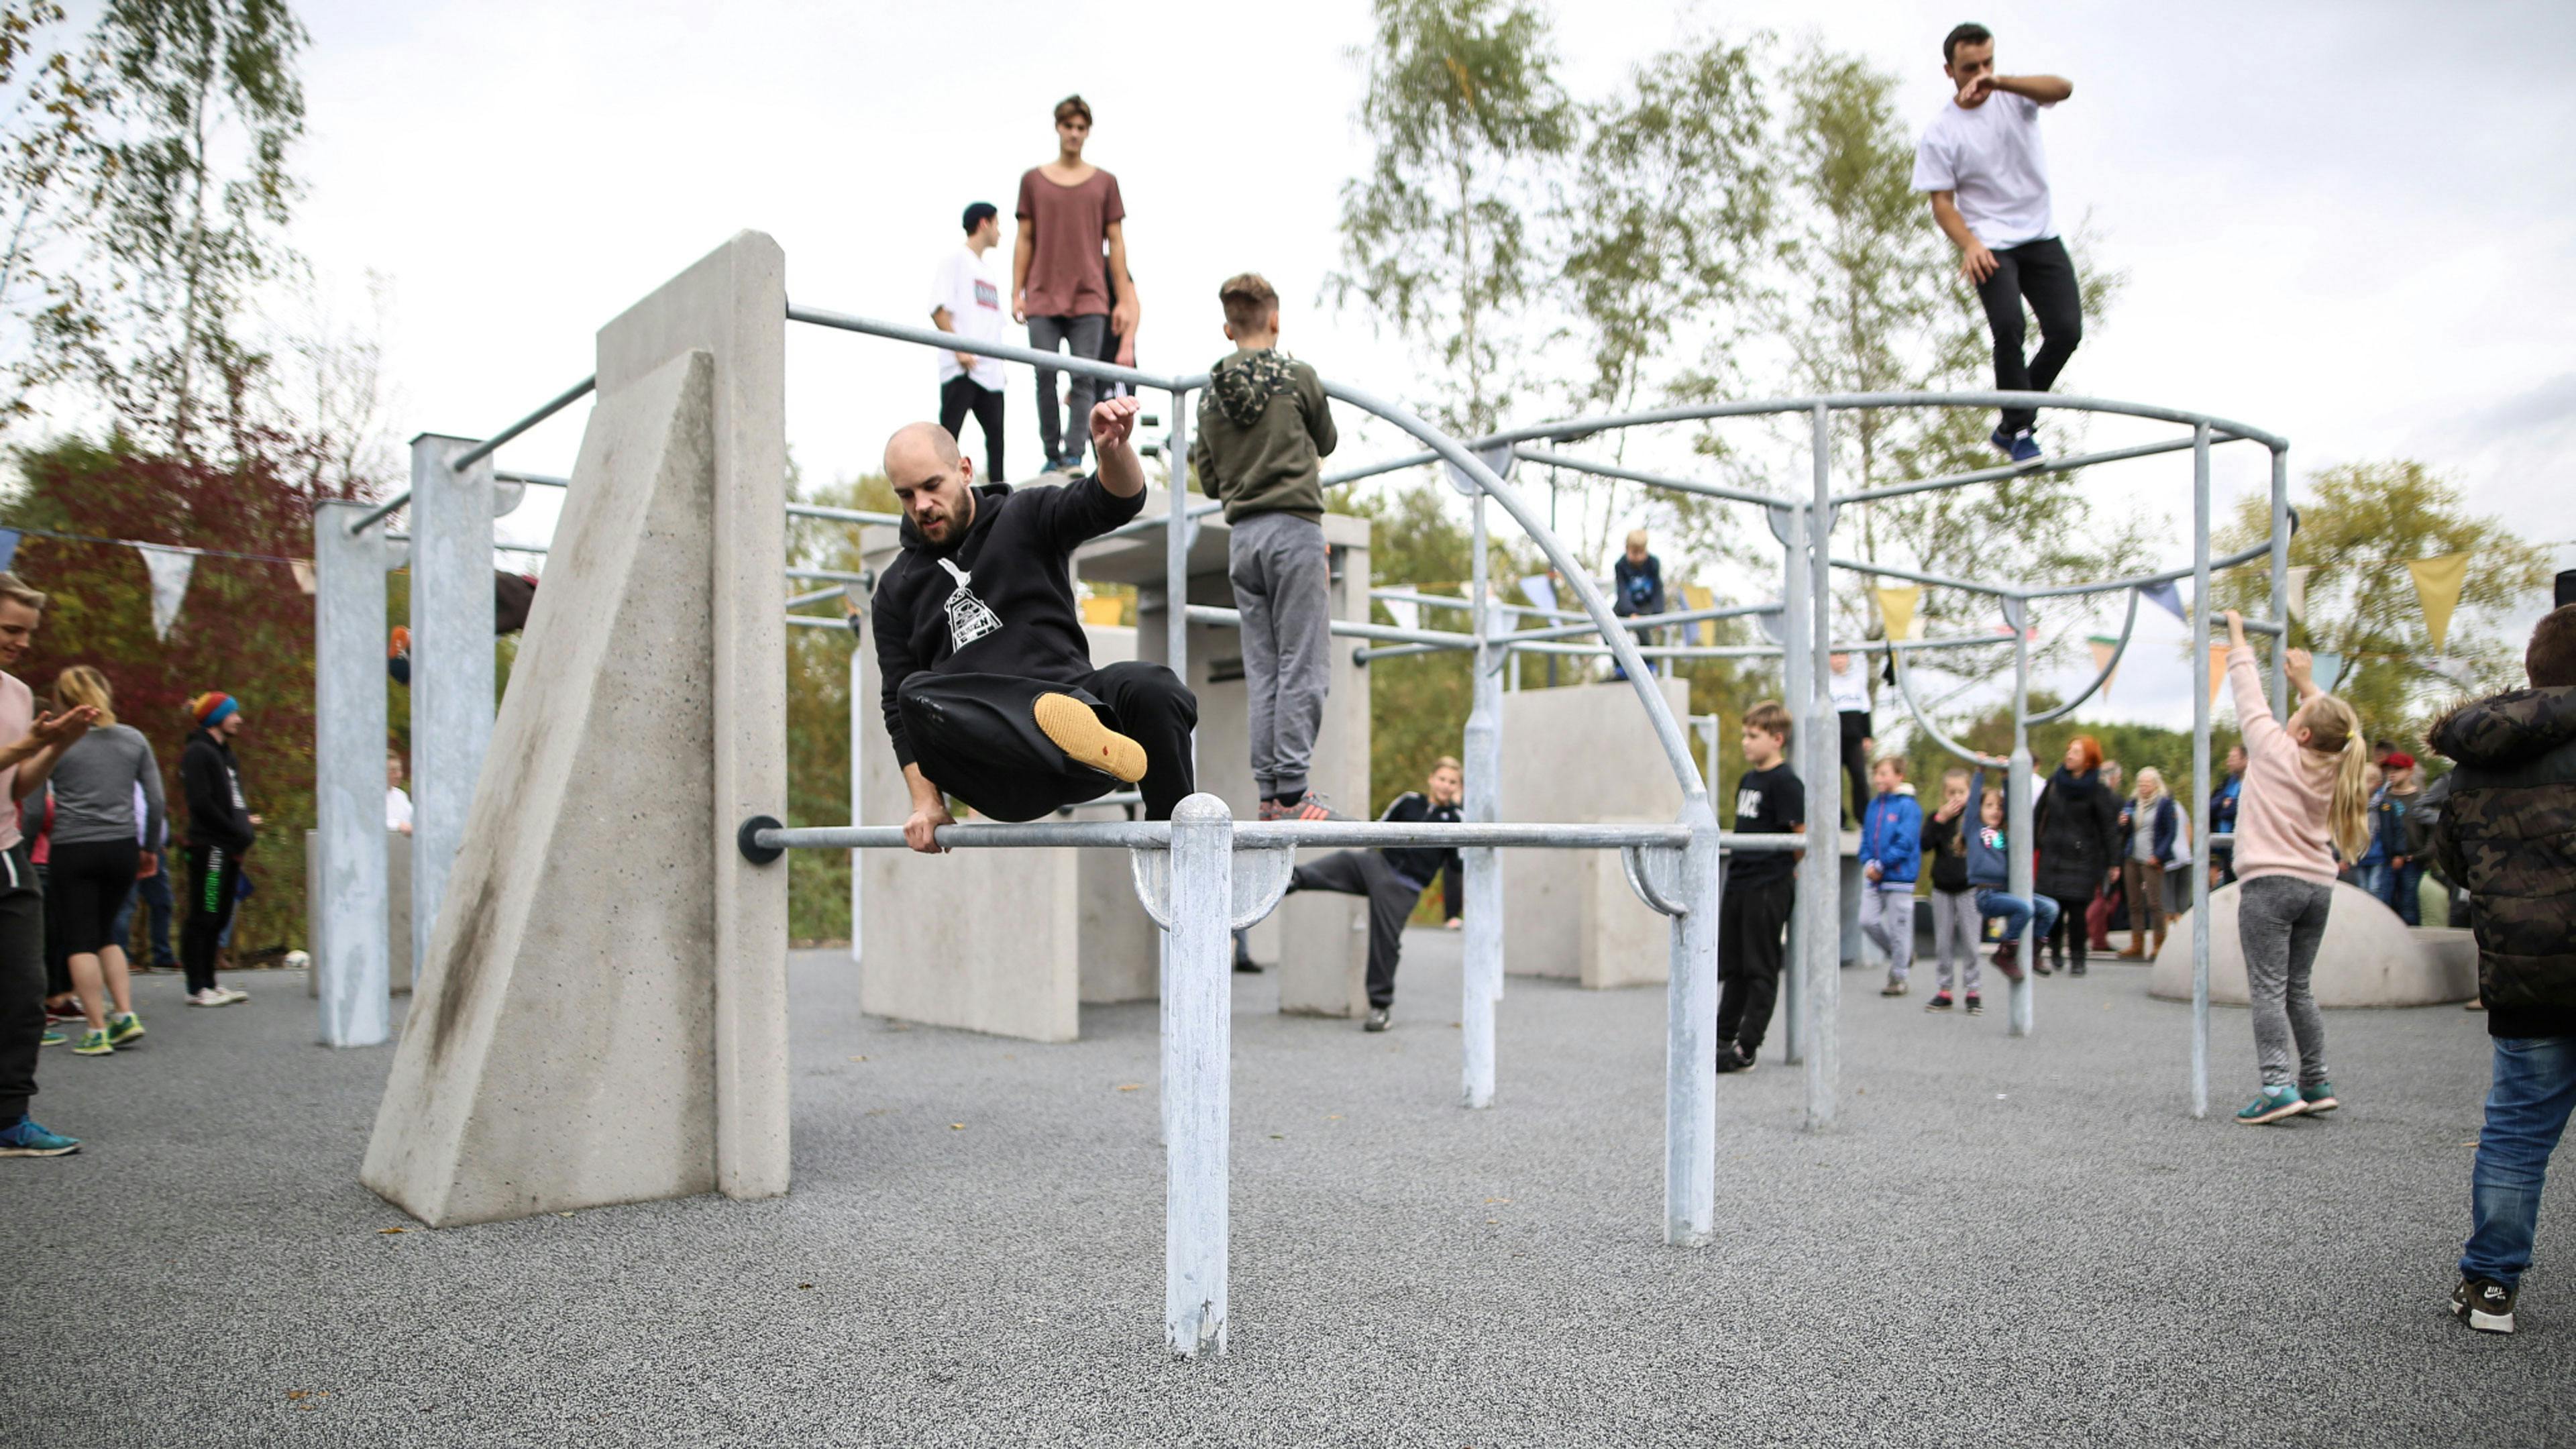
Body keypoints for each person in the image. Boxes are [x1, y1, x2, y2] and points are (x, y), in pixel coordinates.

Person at [873, 399, 1196, 847]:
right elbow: (897, 709)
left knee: (1152, 686)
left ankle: (1181, 846)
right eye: (906, 496)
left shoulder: (1023, 515)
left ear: (965, 470)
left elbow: (1115, 501)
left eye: (932, 486)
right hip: (998, 770)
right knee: (914, 693)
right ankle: (1048, 725)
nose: (922, 505)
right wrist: (927, 803)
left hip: (1078, 723)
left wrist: (1113, 450)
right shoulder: (895, 588)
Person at [2426, 603, 2576, 1335]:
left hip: (2526, 974)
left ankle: (2491, 1287)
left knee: (2516, 1133)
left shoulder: (2477, 757)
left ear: (2532, 669)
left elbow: (2451, 860)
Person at [1187, 272, 1341, 821]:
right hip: (1294, 529)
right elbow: (1327, 440)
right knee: (1305, 662)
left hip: (1244, 540)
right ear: (1274, 319)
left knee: (1265, 668)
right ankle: (1295, 792)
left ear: (1228, 328)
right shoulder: (1298, 377)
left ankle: (1272, 794)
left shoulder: (1209, 395)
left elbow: (1209, 480)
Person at [2220, 610, 2371, 1126]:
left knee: (2267, 988)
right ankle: (2316, 1081)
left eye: (2300, 714)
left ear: (2302, 733)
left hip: (2270, 884)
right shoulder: (2341, 764)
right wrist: (2308, 685)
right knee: (2298, 988)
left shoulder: (2274, 751)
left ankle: (2277, 1086)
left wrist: (2237, 636)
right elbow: (2337, 727)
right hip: (2317, 887)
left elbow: (2247, 692)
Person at [1911, 23, 2078, 463]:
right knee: (2009, 327)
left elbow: (2063, 89)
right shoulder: (1941, 132)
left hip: (2040, 234)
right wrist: (1969, 244)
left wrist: (2000, 82)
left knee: (2066, 331)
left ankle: (2010, 424)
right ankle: (2021, 431)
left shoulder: (2015, 96)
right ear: (1950, 71)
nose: (1981, 74)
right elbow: (1942, 204)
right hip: (1989, 243)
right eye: (1971, 68)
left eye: (1988, 63)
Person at [0, 573, 97, 1157]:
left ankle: (10, 1119)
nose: (23, 642)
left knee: (24, 988)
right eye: (11, 629)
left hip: (7, 853)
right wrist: (28, 745)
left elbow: (18, 787)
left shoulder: (17, 695)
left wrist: (60, 743)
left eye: (28, 632)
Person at [1279, 759, 1466, 1032]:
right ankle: (1290, 880)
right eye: (1442, 779)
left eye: (1452, 782)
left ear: (1458, 787)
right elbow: (1380, 828)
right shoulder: (1409, 801)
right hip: (1379, 864)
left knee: (1385, 942)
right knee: (1347, 860)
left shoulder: (1457, 818)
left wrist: (1452, 914)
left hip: (1405, 886)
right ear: (1431, 779)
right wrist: (1367, 855)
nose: (1446, 786)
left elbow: (1457, 868)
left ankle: (1380, 1007)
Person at [1013, 95, 1137, 476]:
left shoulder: (1105, 183)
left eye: (1081, 128)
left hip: (1090, 297)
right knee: (1045, 375)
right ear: (1058, 128)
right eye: (1069, 126)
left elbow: (1116, 243)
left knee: (1084, 377)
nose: (1074, 134)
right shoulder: (1033, 181)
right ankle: (1052, 453)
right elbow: (1025, 238)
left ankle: (1074, 456)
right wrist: (1018, 290)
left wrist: (1122, 300)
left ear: (1088, 132)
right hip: (1043, 294)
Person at [42, 667, 160, 1055]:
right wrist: (149, 848)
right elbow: (156, 800)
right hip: (122, 847)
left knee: (80, 939)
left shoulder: (57, 741)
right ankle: (125, 1014)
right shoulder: (133, 739)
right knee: (106, 933)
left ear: (62, 700)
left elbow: (34, 800)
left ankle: (96, 1030)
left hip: (73, 848)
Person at [1717, 702, 1802, 1074]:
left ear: (1777, 739)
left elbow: (1799, 839)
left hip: (1768, 885)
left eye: (1753, 736)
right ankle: (1721, 1038)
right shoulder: (1747, 780)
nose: (1745, 742)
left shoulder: (1786, 782)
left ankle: (1746, 1047)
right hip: (1739, 881)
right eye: (1744, 734)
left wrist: (1780, 872)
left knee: (1759, 967)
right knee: (1733, 965)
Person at [179, 691, 259, 1007]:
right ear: (216, 718)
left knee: (221, 914)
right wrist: (233, 829)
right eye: (233, 714)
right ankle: (196, 986)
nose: (239, 719)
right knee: (206, 912)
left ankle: (210, 982)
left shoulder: (226, 756)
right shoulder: (198, 753)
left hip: (230, 849)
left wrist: (244, 824)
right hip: (210, 848)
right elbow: (201, 803)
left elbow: (232, 800)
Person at [932, 201, 1010, 484]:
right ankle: (941, 491)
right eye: (997, 224)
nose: (1000, 232)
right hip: (962, 369)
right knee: (948, 440)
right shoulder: (955, 261)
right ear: (984, 223)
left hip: (990, 373)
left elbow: (992, 324)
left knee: (997, 441)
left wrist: (1000, 369)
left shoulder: (989, 272)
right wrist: (960, 350)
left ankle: (999, 498)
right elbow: (938, 309)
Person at [2033, 735, 2117, 976]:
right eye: (2069, 750)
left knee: (2078, 911)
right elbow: (2038, 815)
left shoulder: (2097, 790)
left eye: (2076, 752)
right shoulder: (2054, 783)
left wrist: (2114, 862)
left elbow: (2108, 827)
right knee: (2053, 908)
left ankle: (2078, 957)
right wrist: (2034, 844)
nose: (2069, 755)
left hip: (2082, 858)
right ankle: (2055, 948)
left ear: (2088, 760)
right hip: (2052, 855)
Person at [1962, 762, 2047, 976]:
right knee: (2024, 909)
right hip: (1987, 894)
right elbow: (1972, 805)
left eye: (1999, 807)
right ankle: (2005, 953)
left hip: (2007, 890)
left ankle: (2034, 952)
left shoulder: (2002, 833)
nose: (1995, 811)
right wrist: (1979, 773)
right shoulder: (1974, 829)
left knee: (2050, 909)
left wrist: (2006, 778)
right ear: (1980, 809)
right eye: (1989, 806)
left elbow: (2011, 810)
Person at [1918, 767, 1984, 1012]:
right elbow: (1924, 845)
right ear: (1944, 793)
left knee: (1971, 942)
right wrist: (1939, 820)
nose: (1956, 797)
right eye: (1951, 792)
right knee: (1943, 943)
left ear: (1969, 793)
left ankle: (1973, 989)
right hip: (1942, 888)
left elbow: (1992, 841)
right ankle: (1944, 989)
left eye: (1961, 792)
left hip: (1969, 888)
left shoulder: (1974, 819)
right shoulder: (1937, 818)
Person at [1860, 756, 1922, 998]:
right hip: (1875, 878)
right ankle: (1902, 956)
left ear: (1899, 776)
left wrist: (1882, 864)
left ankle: (1898, 977)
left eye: (1884, 774)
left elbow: (1905, 842)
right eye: (1876, 774)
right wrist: (1868, 861)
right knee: (1867, 920)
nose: (1879, 779)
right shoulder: (1874, 806)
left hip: (1899, 878)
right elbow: (1866, 838)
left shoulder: (1908, 807)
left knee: (1900, 930)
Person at [2114, 766, 2184, 961]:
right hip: (2132, 857)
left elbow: (2171, 832)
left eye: (2147, 783)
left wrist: (2159, 855)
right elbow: (2124, 831)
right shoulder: (2133, 803)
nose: (2143, 787)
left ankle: (2159, 943)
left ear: (2155, 784)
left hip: (2152, 859)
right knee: (2134, 902)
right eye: (2141, 784)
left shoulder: (2165, 804)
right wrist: (2122, 823)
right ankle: (2137, 944)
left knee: (2154, 903)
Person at [2374, 751, 2425, 925]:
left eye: (2398, 769)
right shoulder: (2382, 799)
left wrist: (2421, 856)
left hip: (2412, 860)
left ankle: (2412, 939)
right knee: (2384, 903)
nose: (2392, 773)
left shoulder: (2421, 799)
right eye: (2389, 770)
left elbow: (2433, 833)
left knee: (2408, 905)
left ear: (2410, 771)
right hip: (2386, 860)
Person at [1609, 531, 1666, 683]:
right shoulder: (1621, 565)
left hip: (1645, 603)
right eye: (1635, 553)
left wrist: (1659, 614)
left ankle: (1649, 665)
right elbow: (1621, 591)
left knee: (1643, 627)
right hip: (1627, 604)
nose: (1639, 557)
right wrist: (1631, 612)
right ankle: (1620, 666)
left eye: (1642, 552)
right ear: (1627, 549)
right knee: (1608, 622)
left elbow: (1658, 590)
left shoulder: (1653, 563)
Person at [1826, 651, 1874, 826]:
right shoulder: (1823, 682)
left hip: (1854, 740)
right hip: (1831, 740)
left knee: (1859, 777)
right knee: (1833, 780)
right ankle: (1838, 819)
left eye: (1842, 655)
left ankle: (1863, 818)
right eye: (1835, 656)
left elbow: (1865, 710)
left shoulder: (1857, 681)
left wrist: (1867, 735)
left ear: (1847, 658)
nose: (1839, 660)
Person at [2209, 742, 2246, 886]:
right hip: (2225, 849)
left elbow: (2240, 808)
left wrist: (2227, 806)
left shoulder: (2254, 782)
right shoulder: (2227, 783)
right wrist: (2224, 803)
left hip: (2244, 845)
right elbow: (2210, 807)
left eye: (2233, 758)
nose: (2228, 761)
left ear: (2246, 759)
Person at [2354, 761, 2390, 902]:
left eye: (2368, 781)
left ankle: (2376, 912)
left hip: (2378, 854)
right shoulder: (2354, 805)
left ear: (2378, 784)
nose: (2364, 785)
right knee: (2362, 888)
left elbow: (2392, 829)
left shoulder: (2384, 805)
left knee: (2375, 888)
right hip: (2359, 854)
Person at [386, 749, 414, 836]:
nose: (398, 775)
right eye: (393, 771)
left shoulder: (401, 796)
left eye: (399, 770)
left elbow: (414, 819)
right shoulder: (370, 797)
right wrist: (398, 825)